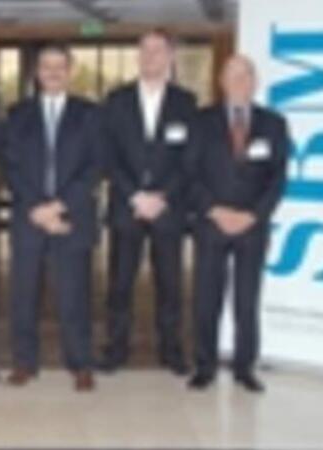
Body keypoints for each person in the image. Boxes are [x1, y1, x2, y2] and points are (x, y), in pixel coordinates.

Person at [1, 44, 104, 391]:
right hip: (29, 218)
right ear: (37, 72)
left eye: (60, 66)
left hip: (72, 219)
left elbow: (95, 166)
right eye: (47, 66)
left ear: (70, 71)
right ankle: (24, 363)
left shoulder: (90, 114)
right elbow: (10, 165)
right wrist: (37, 208)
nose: (53, 73)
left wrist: (59, 206)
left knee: (75, 296)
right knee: (24, 295)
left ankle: (81, 364)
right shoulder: (18, 114)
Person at [186, 55, 289, 393]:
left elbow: (278, 178)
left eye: (246, 75)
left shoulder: (274, 123)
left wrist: (254, 215)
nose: (239, 81)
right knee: (206, 299)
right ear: (221, 81)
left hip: (252, 227)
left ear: (255, 81)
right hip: (211, 223)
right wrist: (214, 210)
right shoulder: (200, 121)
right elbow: (189, 172)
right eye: (232, 75)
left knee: (247, 300)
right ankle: (205, 365)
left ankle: (245, 367)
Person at [101, 29, 197, 375]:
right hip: (126, 206)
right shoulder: (116, 100)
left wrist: (162, 195)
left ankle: (171, 349)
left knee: (170, 284)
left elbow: (190, 158)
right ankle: (116, 348)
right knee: (120, 284)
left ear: (170, 56)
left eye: (157, 50)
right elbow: (107, 154)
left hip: (168, 209)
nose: (150, 57)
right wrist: (135, 194)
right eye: (144, 50)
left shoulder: (186, 102)